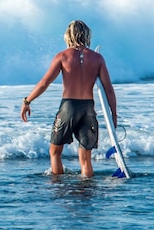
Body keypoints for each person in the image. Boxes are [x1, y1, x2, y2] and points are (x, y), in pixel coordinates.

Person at [20, 20, 117, 177]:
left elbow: (44, 83)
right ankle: (86, 192)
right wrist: (113, 114)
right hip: (88, 109)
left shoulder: (62, 56)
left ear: (68, 35)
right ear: (86, 34)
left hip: (68, 108)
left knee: (55, 152)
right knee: (85, 158)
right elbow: (109, 91)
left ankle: (58, 188)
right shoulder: (97, 59)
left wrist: (27, 101)